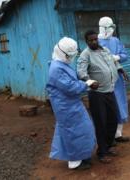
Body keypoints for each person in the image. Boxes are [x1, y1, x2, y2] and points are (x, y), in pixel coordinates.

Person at [46, 37, 98, 170]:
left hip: (71, 104)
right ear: (62, 53)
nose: (72, 58)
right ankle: (74, 161)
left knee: (82, 129)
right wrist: (86, 83)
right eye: (70, 55)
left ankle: (81, 155)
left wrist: (83, 82)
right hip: (65, 106)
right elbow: (70, 87)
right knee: (72, 133)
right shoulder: (56, 68)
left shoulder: (60, 64)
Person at [77, 30, 126, 163]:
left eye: (95, 39)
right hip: (97, 94)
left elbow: (113, 62)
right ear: (86, 42)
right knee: (101, 123)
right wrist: (90, 81)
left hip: (110, 91)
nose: (93, 42)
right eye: (90, 40)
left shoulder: (104, 49)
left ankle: (109, 146)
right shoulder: (85, 55)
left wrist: (121, 69)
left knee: (113, 119)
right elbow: (81, 72)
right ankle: (102, 153)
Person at [98, 16, 130, 143]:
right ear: (102, 28)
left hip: (117, 79)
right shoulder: (95, 41)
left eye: (112, 27)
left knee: (120, 104)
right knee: (107, 107)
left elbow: (125, 55)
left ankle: (118, 134)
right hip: (103, 80)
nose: (111, 29)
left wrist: (116, 57)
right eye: (108, 27)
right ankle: (108, 137)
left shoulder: (116, 40)